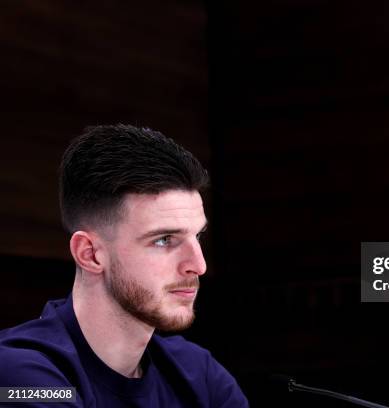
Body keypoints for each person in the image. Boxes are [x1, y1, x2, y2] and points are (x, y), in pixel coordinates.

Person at [0, 125, 249, 407]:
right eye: (164, 239)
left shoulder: (198, 374)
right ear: (90, 254)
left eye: (198, 236)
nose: (199, 265)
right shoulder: (20, 375)